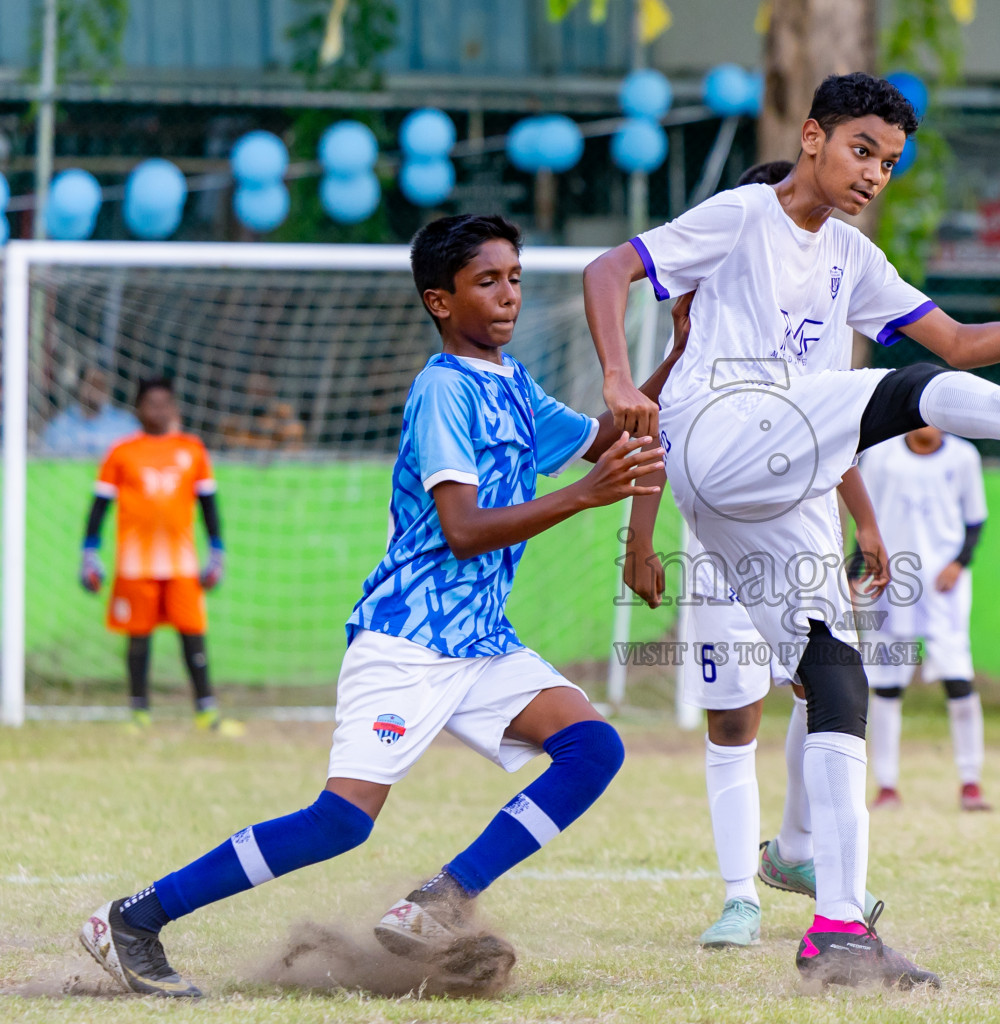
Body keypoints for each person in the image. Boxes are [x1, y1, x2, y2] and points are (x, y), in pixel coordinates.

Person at [584, 72, 1000, 988]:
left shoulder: (853, 259)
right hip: (716, 432)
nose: (873, 175)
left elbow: (960, 344)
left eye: (890, 164)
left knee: (837, 680)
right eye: (862, 151)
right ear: (813, 137)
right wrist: (622, 382)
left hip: (779, 488)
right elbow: (606, 268)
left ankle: (835, 930)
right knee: (895, 395)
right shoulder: (745, 214)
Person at [80, 214, 679, 998]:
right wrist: (582, 498)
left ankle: (443, 899)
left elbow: (609, 437)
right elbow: (462, 530)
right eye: (487, 281)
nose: (508, 296)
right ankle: (133, 920)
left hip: (479, 643)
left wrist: (673, 359)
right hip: (409, 637)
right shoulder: (441, 391)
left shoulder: (516, 386)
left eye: (515, 278)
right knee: (340, 823)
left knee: (593, 747)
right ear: (440, 299)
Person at [627, 159, 883, 950]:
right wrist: (641, 538)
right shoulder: (713, 308)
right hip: (721, 548)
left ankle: (797, 854)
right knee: (732, 716)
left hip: (803, 538)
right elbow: (651, 422)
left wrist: (867, 524)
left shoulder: (819, 318)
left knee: (826, 685)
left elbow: (832, 435)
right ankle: (740, 897)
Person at [80, 379, 239, 735]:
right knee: (138, 637)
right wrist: (89, 551)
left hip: (181, 563)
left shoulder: (191, 449)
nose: (159, 410)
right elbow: (99, 506)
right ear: (139, 409)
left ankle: (206, 713)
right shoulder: (122, 452)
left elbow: (209, 504)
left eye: (165, 403)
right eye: (151, 403)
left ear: (173, 407)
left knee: (193, 633)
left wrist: (217, 551)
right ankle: (139, 713)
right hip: (136, 565)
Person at [857, 426, 990, 812]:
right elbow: (865, 523)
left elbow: (974, 521)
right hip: (890, 582)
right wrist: (857, 569)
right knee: (885, 684)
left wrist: (958, 564)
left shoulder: (963, 457)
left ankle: (970, 781)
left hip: (942, 586)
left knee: (957, 678)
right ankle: (886, 784)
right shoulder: (881, 457)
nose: (927, 424)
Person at [40, 367, 140, 457]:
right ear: (79, 386)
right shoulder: (59, 425)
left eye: (100, 385)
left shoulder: (126, 424)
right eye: (91, 384)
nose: (95, 390)